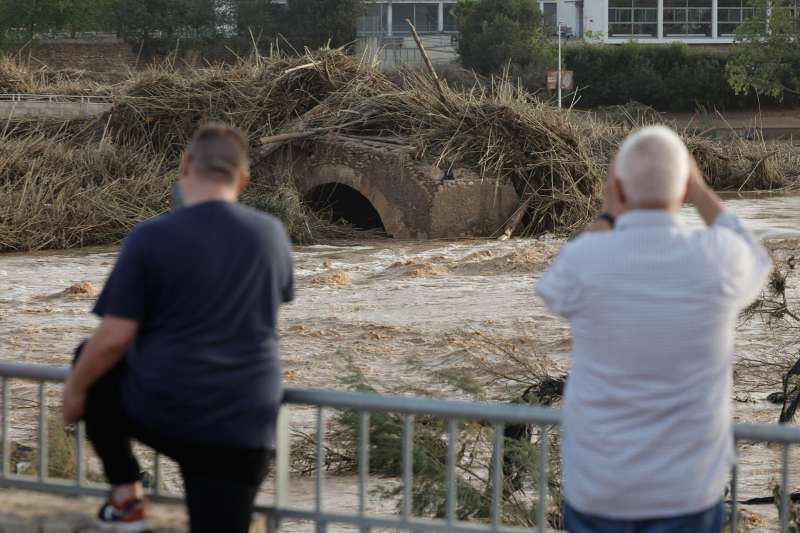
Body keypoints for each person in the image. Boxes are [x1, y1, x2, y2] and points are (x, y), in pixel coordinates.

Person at [536, 126, 772, 533]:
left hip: (598, 487)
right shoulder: (717, 258)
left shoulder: (587, 259)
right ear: (682, 190)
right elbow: (756, 256)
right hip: (687, 490)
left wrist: (610, 211)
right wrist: (698, 191)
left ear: (618, 188)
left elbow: (552, 285)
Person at [61, 125, 295, 533]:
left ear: (185, 165)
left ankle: (126, 497)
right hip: (244, 425)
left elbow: (113, 339)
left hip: (167, 409)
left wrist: (74, 391)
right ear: (243, 179)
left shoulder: (151, 237)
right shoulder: (271, 234)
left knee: (90, 361)